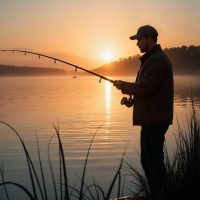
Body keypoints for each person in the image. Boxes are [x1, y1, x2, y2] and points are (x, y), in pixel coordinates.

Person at [113, 25, 174, 197]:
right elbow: (147, 90)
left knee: (153, 163)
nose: (137, 43)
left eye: (139, 39)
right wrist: (133, 101)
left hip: (154, 120)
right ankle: (157, 193)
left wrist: (122, 86)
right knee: (148, 162)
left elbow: (144, 87)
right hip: (150, 118)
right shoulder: (151, 59)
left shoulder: (157, 60)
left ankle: (159, 194)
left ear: (149, 39)